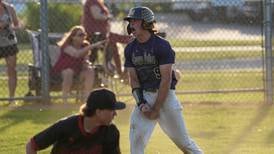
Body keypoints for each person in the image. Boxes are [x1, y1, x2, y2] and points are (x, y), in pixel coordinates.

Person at [123, 6, 203, 154]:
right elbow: (133, 80)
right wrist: (141, 104)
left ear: (146, 23)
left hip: (166, 96)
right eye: (130, 21)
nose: (131, 24)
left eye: (135, 21)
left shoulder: (161, 45)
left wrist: (156, 109)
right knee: (136, 143)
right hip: (145, 96)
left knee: (184, 143)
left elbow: (165, 80)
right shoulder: (130, 49)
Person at [26, 88, 126, 154]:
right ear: (98, 111)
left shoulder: (111, 132)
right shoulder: (66, 126)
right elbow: (32, 145)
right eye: (112, 110)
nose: (115, 114)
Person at [51, 25, 105, 103]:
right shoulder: (66, 46)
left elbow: (86, 59)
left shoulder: (85, 45)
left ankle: (87, 99)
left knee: (90, 71)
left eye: (84, 34)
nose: (83, 37)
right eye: (80, 35)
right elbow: (76, 54)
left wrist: (87, 64)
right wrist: (93, 46)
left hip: (78, 69)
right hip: (63, 69)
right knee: (69, 72)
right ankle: (64, 100)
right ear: (73, 37)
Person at [82, 0, 132, 77]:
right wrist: (108, 17)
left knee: (113, 47)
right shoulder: (92, 1)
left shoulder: (98, 2)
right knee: (115, 44)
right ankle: (118, 71)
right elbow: (97, 15)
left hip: (102, 33)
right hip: (95, 34)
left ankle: (120, 72)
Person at [0, 0, 22, 102]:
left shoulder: (9, 8)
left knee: (12, 70)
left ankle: (11, 98)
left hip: (10, 43)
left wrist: (14, 27)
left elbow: (17, 24)